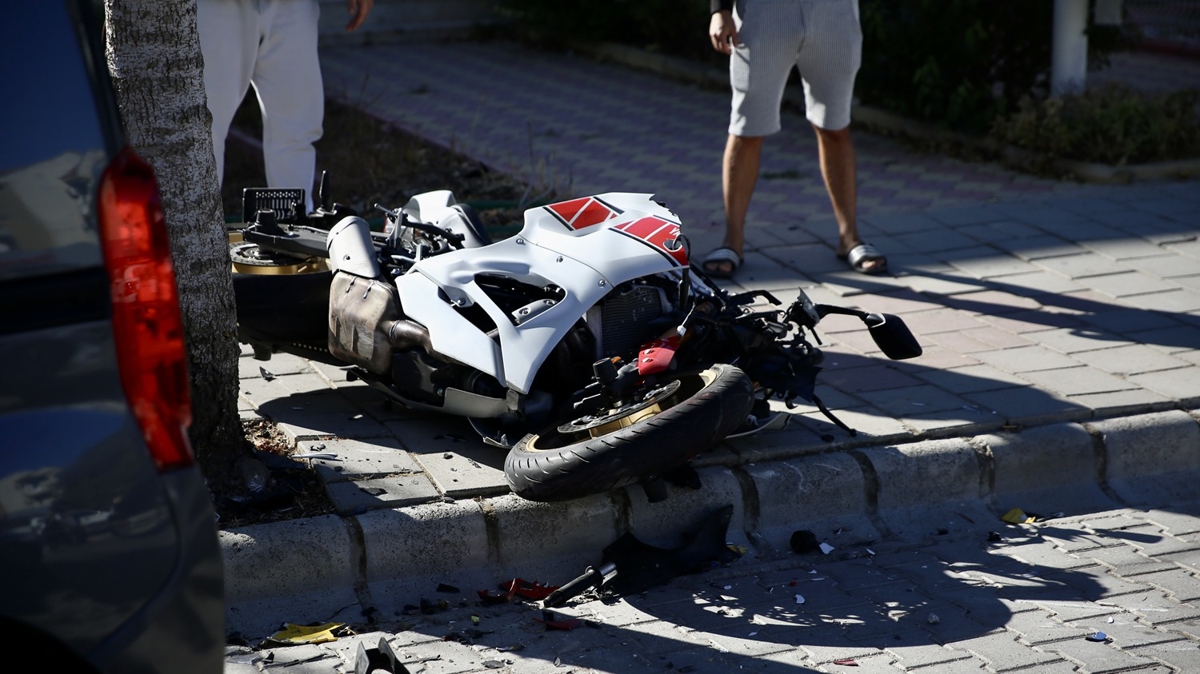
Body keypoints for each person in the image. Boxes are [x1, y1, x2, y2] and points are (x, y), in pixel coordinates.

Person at [702, 0, 886, 278]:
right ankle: (732, 241)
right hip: (764, 12)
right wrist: (720, 8)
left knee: (835, 125)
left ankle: (850, 237)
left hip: (834, 13)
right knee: (747, 128)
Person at [198, 0, 373, 212]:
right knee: (202, 129)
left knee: (297, 129)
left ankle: (293, 225)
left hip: (293, 6)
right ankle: (196, 227)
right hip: (215, 7)